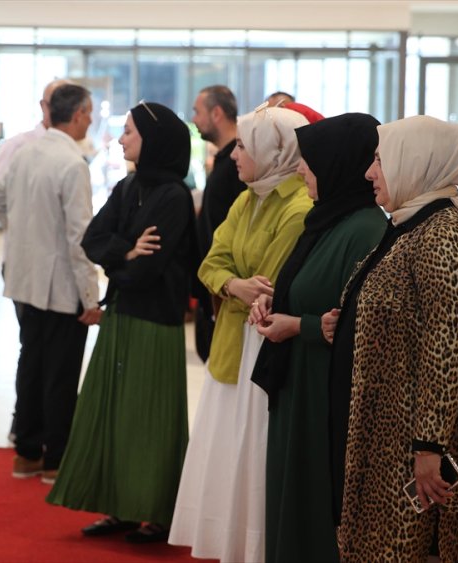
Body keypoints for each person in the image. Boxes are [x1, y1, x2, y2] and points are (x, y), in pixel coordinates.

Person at [320, 115, 458, 561]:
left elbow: (447, 350)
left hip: (411, 444)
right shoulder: (410, 223)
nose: (370, 173)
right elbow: (401, 312)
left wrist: (428, 449)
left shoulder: (446, 236)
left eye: (380, 160)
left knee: (404, 548)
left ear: (415, 162)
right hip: (388, 435)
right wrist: (346, 322)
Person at [169, 104, 315, 563]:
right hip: (235, 342)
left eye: (245, 146)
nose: (234, 155)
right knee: (223, 451)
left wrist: (233, 283)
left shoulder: (298, 208)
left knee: (250, 455)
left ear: (275, 152)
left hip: (263, 349)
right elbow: (211, 262)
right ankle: (228, 544)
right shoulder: (248, 196)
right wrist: (232, 283)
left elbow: (268, 289)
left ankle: (253, 548)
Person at [46, 101, 195, 544]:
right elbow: (92, 239)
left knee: (148, 419)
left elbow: (149, 271)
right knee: (114, 414)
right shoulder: (130, 188)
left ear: (155, 141)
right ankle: (122, 506)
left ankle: (156, 512)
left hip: (155, 321)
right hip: (124, 316)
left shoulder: (174, 197)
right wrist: (127, 252)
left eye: (129, 131)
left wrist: (119, 262)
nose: (120, 138)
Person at [246, 113, 386, 562]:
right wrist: (272, 306)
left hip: (324, 390)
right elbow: (303, 289)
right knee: (291, 492)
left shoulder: (365, 229)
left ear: (337, 165)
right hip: (299, 380)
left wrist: (296, 326)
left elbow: (356, 323)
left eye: (310, 162)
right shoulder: (326, 220)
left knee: (312, 499)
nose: (303, 170)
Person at [0, 84, 101, 483]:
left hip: (24, 278)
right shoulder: (73, 164)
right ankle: (56, 461)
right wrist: (91, 297)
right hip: (61, 285)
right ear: (80, 114)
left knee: (30, 362)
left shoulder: (25, 153)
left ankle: (27, 453)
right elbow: (79, 239)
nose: (91, 120)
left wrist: (24, 234)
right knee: (62, 372)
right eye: (90, 113)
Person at [191, 85, 245, 362]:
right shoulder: (224, 162)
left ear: (216, 113)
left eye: (197, 112)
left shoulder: (237, 167)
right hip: (213, 283)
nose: (194, 120)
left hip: (225, 291)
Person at [0, 79, 71, 203]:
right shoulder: (20, 144)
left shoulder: (70, 147)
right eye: (57, 105)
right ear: (43, 106)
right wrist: (23, 210)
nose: (63, 112)